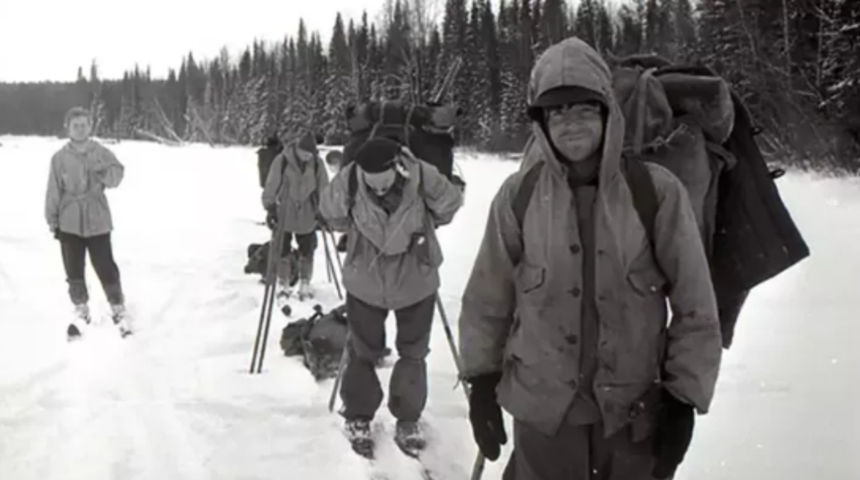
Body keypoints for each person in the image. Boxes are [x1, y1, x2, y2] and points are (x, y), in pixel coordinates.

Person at [457, 37, 723, 480]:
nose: (570, 123)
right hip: (543, 419)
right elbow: (488, 298)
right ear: (540, 122)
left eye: (583, 107)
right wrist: (481, 384)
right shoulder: (517, 196)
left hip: (634, 419)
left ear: (606, 112)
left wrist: (683, 399)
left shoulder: (655, 192)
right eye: (556, 111)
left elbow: (696, 303)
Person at [318, 136, 463, 458]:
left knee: (413, 352)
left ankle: (408, 418)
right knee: (362, 351)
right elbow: (331, 212)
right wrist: (350, 199)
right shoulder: (352, 179)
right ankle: (358, 415)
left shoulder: (421, 175)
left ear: (398, 167)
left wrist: (426, 189)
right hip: (365, 282)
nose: (380, 190)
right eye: (373, 185)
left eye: (385, 184)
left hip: (415, 281)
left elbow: (450, 205)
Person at [45, 106, 132, 339]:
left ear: (90, 127)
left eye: (84, 125)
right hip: (69, 220)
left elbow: (117, 176)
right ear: (68, 128)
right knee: (73, 268)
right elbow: (53, 191)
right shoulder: (59, 158)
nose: (80, 129)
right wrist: (52, 220)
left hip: (98, 218)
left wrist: (103, 172)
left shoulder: (100, 152)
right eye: (76, 125)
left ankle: (117, 307)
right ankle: (81, 308)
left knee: (105, 265)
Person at [262, 131, 329, 300]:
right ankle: (283, 281)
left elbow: (324, 188)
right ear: (297, 149)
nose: (308, 157)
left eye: (310, 154)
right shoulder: (282, 160)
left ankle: (305, 282)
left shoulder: (317, 164)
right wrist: (270, 207)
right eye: (305, 153)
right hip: (285, 211)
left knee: (308, 250)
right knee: (282, 250)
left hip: (308, 212)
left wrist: (325, 211)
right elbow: (271, 184)